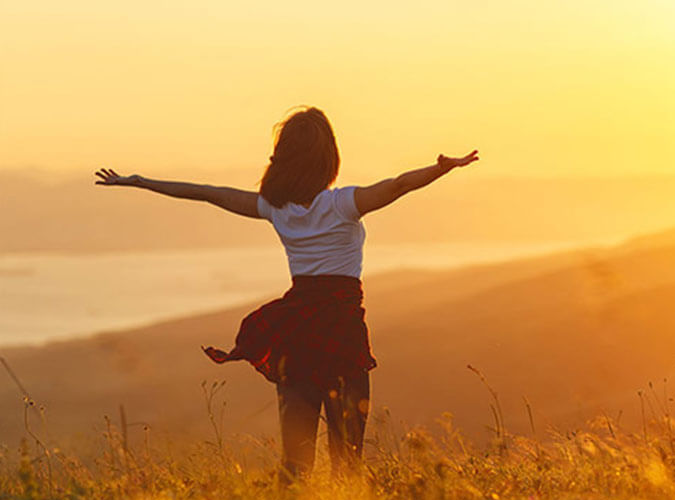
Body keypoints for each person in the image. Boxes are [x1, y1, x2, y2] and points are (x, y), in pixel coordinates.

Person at [94, 106, 478, 478]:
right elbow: (398, 185)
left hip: (297, 333)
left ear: (284, 159)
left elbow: (209, 193)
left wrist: (141, 182)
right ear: (328, 159)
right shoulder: (343, 204)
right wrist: (441, 169)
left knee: (296, 465)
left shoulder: (275, 208)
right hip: (342, 334)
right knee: (348, 463)